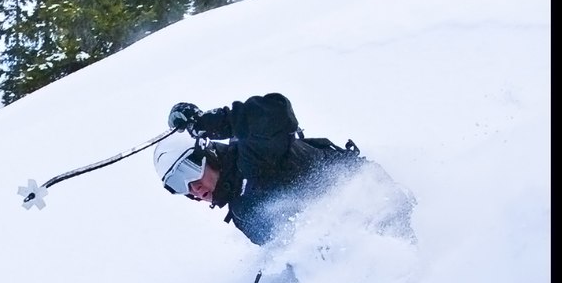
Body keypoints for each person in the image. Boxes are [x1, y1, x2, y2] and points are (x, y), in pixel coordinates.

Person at [153, 92, 416, 249]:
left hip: (382, 206)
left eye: (188, 171)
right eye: (177, 184)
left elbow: (277, 113)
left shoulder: (251, 156)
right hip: (358, 246)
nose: (193, 188)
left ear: (207, 153)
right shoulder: (240, 210)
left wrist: (215, 122)